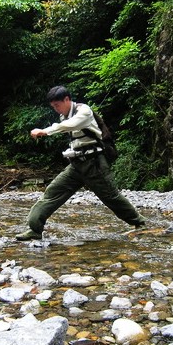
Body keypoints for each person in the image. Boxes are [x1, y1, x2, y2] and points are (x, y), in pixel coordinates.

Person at [15, 85, 146, 240]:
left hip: (94, 164)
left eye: (57, 105)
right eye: (53, 107)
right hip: (76, 165)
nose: (56, 109)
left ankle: (140, 223)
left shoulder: (84, 111)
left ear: (67, 99)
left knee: (110, 196)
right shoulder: (63, 117)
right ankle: (35, 229)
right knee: (53, 192)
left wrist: (45, 131)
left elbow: (72, 125)